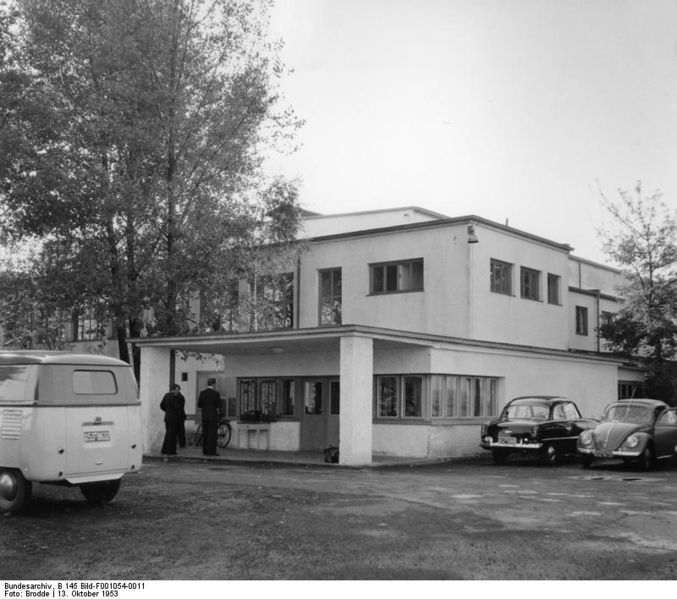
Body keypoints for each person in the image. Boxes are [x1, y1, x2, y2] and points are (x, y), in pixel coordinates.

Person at [197, 378, 222, 456]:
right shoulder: (216, 393)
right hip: (213, 415)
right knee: (212, 434)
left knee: (205, 432)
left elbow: (199, 405)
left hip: (204, 415)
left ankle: (205, 450)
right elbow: (219, 405)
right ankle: (211, 451)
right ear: (213, 384)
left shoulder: (202, 393)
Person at [160, 384, 183, 457]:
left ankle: (164, 449)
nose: (178, 391)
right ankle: (171, 451)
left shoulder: (166, 395)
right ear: (174, 389)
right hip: (174, 418)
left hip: (167, 417)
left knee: (168, 434)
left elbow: (161, 405)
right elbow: (177, 407)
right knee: (172, 435)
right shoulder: (175, 397)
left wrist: (167, 411)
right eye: (178, 389)